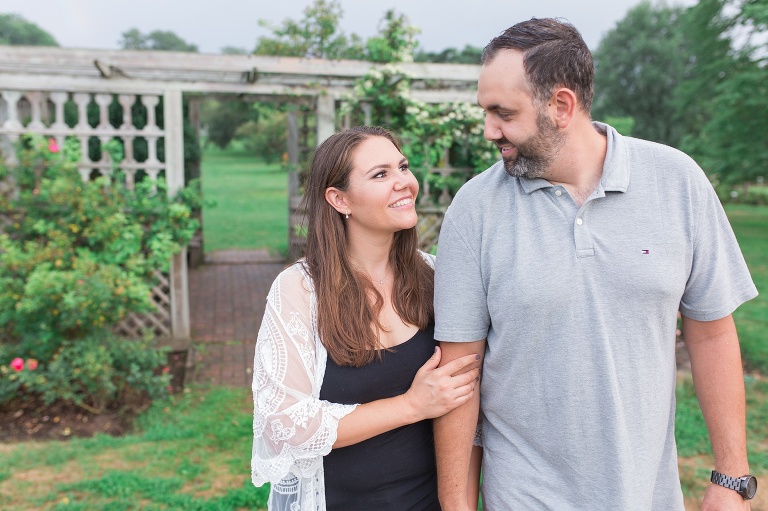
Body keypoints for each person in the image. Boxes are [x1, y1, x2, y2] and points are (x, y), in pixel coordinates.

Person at [432, 17, 759, 511]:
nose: (488, 130)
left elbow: (712, 330)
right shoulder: (475, 208)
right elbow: (459, 373)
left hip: (650, 495)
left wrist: (731, 478)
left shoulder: (677, 181)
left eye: (502, 113)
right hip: (525, 496)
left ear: (560, 105)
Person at [251, 125, 482, 511]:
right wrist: (411, 405)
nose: (404, 183)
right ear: (339, 199)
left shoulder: (437, 278)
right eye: (381, 174)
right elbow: (284, 422)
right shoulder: (300, 290)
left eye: (403, 167)